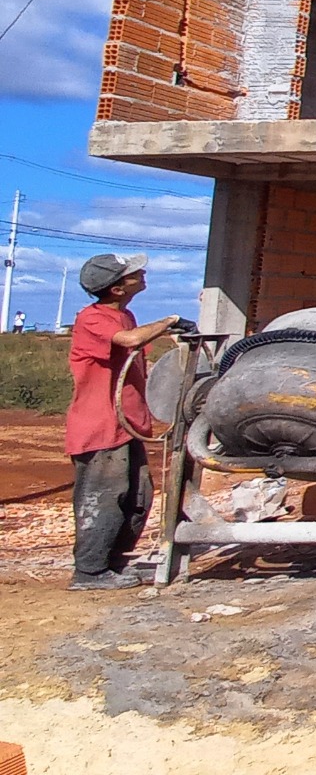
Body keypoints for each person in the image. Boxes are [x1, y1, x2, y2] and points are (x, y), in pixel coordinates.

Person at [66, 253, 181, 591]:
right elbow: (129, 342)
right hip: (100, 427)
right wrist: (170, 320)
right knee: (104, 496)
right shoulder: (92, 318)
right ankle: (88, 572)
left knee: (137, 496)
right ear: (117, 288)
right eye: (133, 273)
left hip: (126, 424)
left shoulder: (124, 315)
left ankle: (112, 563)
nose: (141, 274)